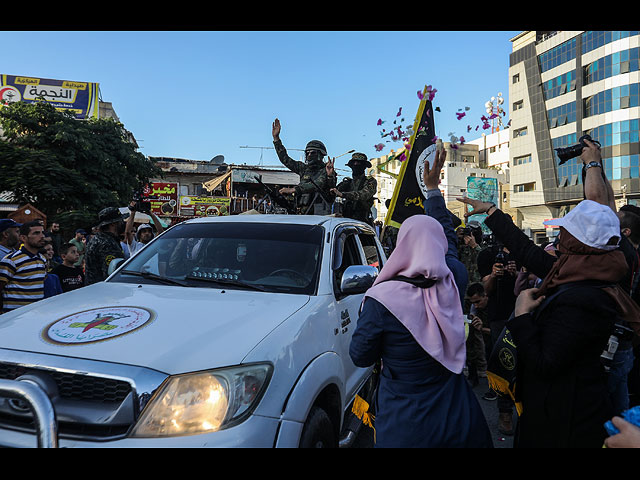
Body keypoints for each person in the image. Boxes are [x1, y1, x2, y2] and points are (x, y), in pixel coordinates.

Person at [349, 212, 493, 448]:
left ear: (402, 243)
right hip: (457, 412)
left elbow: (360, 355)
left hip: (405, 415)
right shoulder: (452, 282)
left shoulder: (382, 299)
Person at [271, 118, 333, 214]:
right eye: (307, 153)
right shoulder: (303, 168)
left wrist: (294, 189)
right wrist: (276, 139)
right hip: (302, 213)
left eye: (313, 153)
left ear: (321, 155)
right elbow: (285, 159)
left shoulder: (327, 170)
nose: (309, 155)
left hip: (319, 215)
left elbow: (317, 184)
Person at [0, 221, 47, 313]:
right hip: (14, 315)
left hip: (36, 313)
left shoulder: (42, 259)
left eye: (42, 232)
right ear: (23, 238)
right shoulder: (11, 260)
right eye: (36, 233)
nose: (42, 236)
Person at [326, 152, 377, 225]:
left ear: (364, 166)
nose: (355, 165)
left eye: (359, 163)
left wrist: (343, 194)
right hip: (346, 221)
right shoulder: (347, 182)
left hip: (362, 222)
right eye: (354, 163)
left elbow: (364, 194)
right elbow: (332, 192)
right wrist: (330, 176)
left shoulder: (370, 181)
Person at [85, 207, 128, 285]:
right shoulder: (107, 244)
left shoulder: (98, 239)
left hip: (94, 290)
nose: (122, 223)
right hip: (104, 292)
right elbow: (112, 274)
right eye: (120, 221)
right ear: (113, 224)